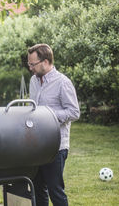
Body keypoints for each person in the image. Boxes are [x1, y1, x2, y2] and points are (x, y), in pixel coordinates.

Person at [27, 44, 80, 206]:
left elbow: (74, 112)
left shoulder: (63, 82)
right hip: (37, 144)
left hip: (56, 146)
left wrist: (48, 115)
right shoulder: (33, 81)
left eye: (33, 64)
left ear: (45, 61)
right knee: (37, 189)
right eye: (29, 64)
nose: (30, 68)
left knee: (55, 190)